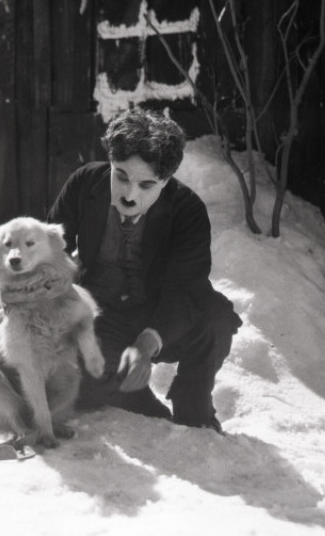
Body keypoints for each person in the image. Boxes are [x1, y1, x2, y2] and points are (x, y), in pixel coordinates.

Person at [46, 108, 241, 432]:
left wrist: (146, 344)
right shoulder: (84, 184)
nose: (130, 195)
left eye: (146, 184)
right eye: (120, 176)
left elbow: (185, 290)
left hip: (162, 313)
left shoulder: (187, 211)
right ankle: (133, 396)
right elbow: (47, 250)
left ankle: (194, 407)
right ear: (110, 163)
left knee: (215, 317)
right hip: (104, 313)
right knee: (80, 389)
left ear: (165, 181)